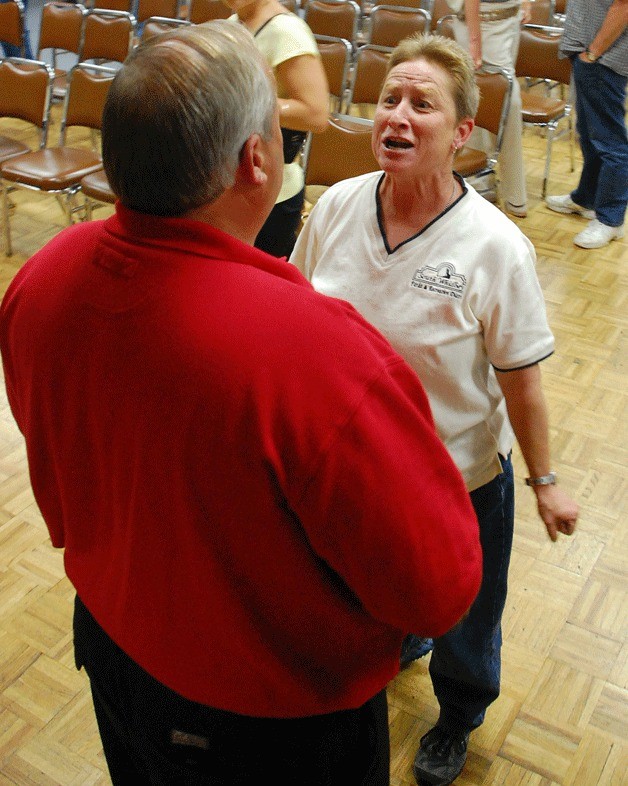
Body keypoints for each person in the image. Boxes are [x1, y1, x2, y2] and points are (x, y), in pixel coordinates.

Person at [0, 22, 484, 786]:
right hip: (268, 722)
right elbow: (439, 586)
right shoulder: (317, 354)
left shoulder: (43, 277)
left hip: (114, 651)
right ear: (256, 160)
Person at [291, 33, 579, 786]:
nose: (399, 114)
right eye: (390, 99)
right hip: (358, 472)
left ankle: (458, 716)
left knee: (469, 624)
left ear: (460, 134)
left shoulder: (495, 249)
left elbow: (521, 380)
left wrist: (546, 481)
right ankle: (408, 634)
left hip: (459, 482)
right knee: (377, 591)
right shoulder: (338, 207)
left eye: (424, 104)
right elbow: (295, 319)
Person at [223, 0, 329, 258]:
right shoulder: (232, 24)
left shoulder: (286, 31)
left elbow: (316, 113)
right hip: (233, 180)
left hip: (272, 191)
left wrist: (248, 101)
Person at [546, 0, 627, 249]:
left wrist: (593, 52)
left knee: (610, 142)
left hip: (604, 57)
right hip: (591, 54)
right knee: (591, 135)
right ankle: (587, 198)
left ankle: (610, 219)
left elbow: (623, 6)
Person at [452, 0, 531, 217]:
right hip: (480, 21)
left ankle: (490, 182)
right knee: (494, 101)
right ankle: (497, 186)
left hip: (508, 19)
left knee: (496, 100)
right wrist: (474, 40)